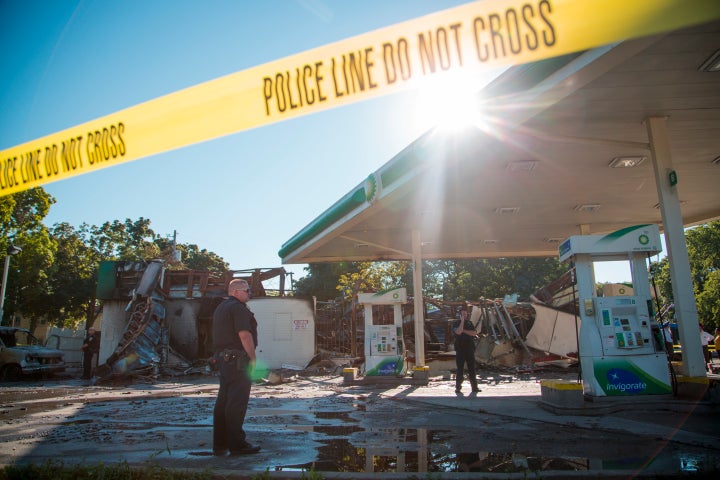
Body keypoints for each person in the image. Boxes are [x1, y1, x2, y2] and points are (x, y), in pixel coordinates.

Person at [212, 279, 260, 456]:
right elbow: (244, 335)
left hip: (224, 360)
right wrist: (253, 359)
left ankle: (220, 444)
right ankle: (237, 445)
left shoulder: (221, 308)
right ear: (236, 291)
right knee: (236, 402)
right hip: (238, 361)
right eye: (247, 290)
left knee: (223, 402)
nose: (249, 294)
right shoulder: (238, 308)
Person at [453, 309, 480, 394]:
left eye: (466, 314)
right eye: (463, 314)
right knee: (460, 369)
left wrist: (464, 331)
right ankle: (458, 388)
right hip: (460, 349)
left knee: (472, 368)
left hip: (470, 349)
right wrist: (462, 322)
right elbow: (458, 332)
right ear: (460, 315)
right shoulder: (456, 323)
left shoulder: (470, 323)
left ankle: (474, 387)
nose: (465, 316)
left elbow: (474, 333)